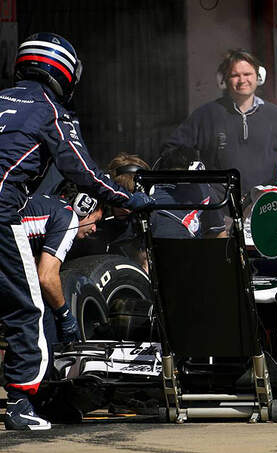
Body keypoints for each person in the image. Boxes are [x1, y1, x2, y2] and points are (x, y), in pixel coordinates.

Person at [0, 33, 152, 430]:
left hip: (11, 206)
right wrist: (129, 198)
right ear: (64, 73)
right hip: (2, 211)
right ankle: (20, 403)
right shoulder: (51, 111)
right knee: (28, 309)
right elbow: (82, 171)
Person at [161, 49, 277, 194]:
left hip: (264, 205)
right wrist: (194, 184)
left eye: (247, 74)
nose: (242, 80)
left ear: (259, 77)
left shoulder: (275, 115)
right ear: (223, 79)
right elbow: (172, 149)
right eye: (235, 75)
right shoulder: (206, 115)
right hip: (219, 210)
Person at [20, 189, 102, 348]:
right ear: (83, 209)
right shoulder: (68, 218)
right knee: (45, 321)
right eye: (95, 221)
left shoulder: (50, 205)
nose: (94, 229)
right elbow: (46, 277)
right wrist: (65, 316)